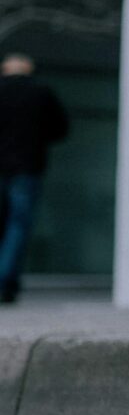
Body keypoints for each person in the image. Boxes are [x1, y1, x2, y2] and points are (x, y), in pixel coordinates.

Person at [0, 52, 71, 304]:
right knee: (17, 226)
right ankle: (5, 281)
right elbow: (60, 129)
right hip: (26, 167)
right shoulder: (40, 92)